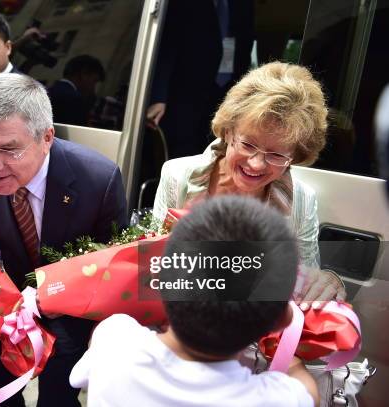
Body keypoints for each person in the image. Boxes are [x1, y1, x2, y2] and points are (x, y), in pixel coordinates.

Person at [0, 73, 128, 406]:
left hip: (71, 310)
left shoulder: (99, 179)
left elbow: (113, 269)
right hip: (3, 306)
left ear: (46, 137)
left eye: (9, 150)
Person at [71, 195, 319, 407]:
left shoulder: (114, 343)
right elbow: (310, 393)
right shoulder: (276, 399)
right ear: (281, 320)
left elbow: (101, 338)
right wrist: (294, 362)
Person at [153, 61, 346, 308]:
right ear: (229, 132)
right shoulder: (177, 176)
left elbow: (305, 285)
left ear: (295, 157)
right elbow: (153, 267)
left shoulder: (301, 200)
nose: (256, 164)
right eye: (248, 144)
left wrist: (329, 281)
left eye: (276, 155)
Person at [146, 0, 254, 159]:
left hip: (227, 91)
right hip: (185, 90)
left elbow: (245, 44)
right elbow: (168, 46)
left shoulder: (243, 4)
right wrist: (158, 96)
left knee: (215, 151)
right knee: (181, 151)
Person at [48, 55, 105, 126]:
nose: (93, 87)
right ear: (84, 74)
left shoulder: (48, 90)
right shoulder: (75, 99)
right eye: (94, 81)